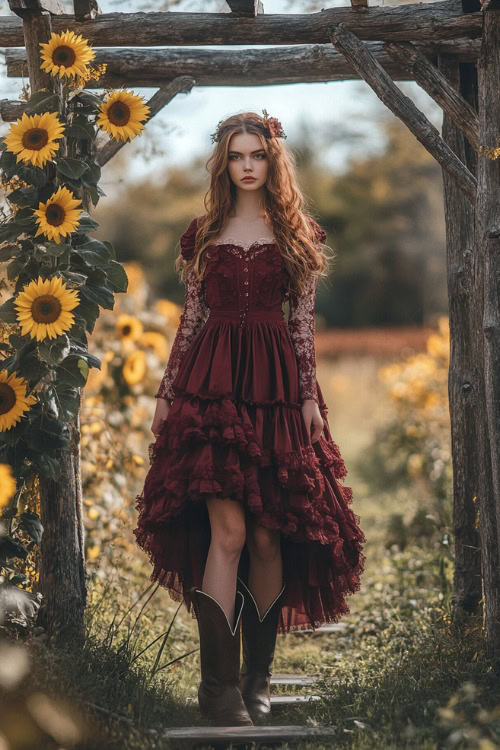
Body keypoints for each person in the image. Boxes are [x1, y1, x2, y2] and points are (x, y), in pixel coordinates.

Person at [134, 110, 366, 727]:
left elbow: (301, 324)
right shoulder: (204, 233)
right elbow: (190, 318)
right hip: (212, 386)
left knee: (267, 536)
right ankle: (219, 691)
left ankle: (257, 684)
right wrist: (166, 391)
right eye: (236, 155)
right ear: (223, 162)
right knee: (228, 535)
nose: (246, 165)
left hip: (276, 384)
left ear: (272, 162)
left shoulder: (295, 234)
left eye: (256, 155)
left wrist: (310, 395)